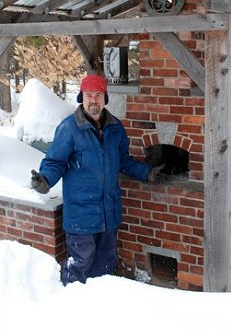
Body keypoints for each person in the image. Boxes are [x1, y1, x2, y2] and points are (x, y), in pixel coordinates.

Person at [30, 74, 164, 286]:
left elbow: (124, 161)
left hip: (108, 213)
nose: (94, 100)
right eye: (89, 95)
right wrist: (45, 178)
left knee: (106, 265)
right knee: (80, 264)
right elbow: (55, 161)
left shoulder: (115, 128)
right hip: (81, 215)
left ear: (105, 98)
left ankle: (101, 308)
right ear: (82, 97)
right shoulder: (69, 128)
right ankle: (71, 302)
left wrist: (147, 172)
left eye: (98, 95)